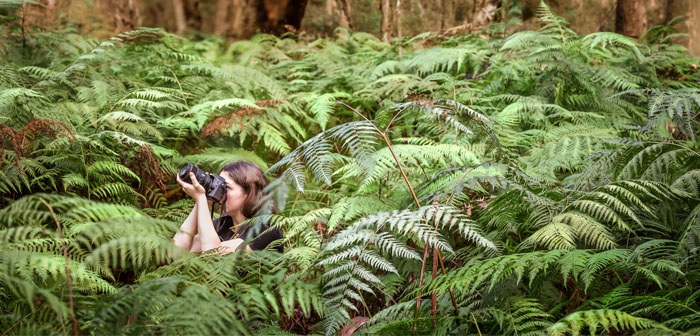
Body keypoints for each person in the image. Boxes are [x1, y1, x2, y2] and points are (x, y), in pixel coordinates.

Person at [172, 161, 283, 254]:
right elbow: (176, 252)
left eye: (227, 187)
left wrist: (201, 199)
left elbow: (213, 253)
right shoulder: (222, 225)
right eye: (219, 185)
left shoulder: (266, 229)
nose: (221, 192)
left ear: (249, 193)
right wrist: (202, 200)